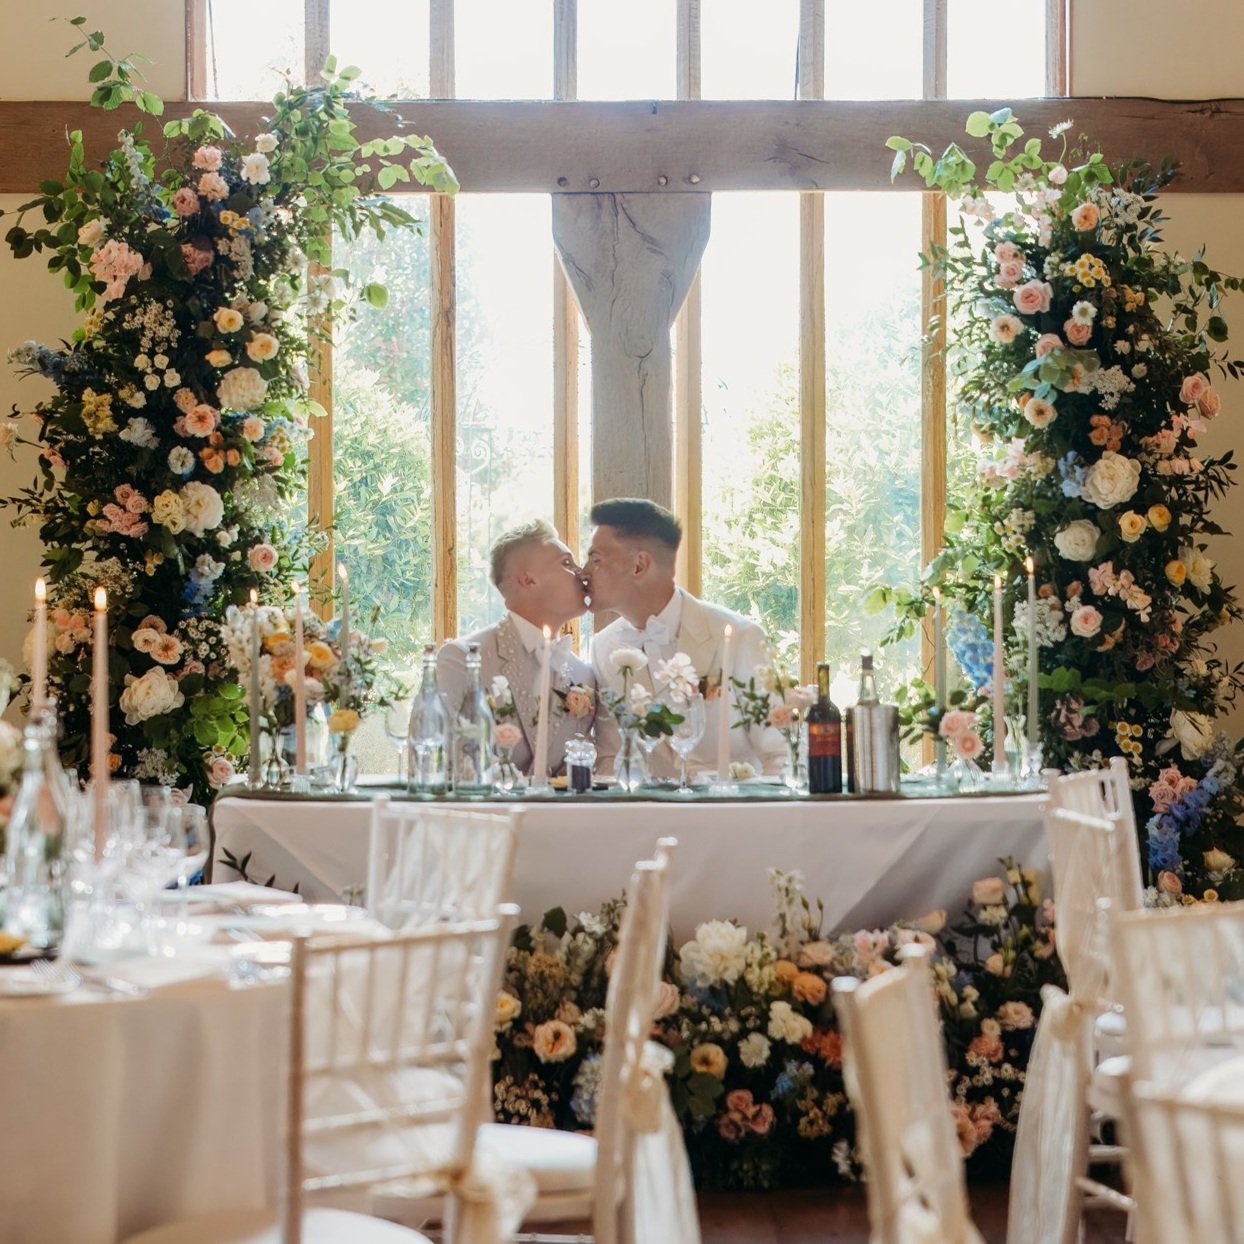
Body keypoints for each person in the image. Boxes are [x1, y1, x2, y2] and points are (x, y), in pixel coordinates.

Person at [585, 497, 784, 779]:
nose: (584, 571)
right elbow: (611, 759)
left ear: (639, 565)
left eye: (595, 559)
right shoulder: (603, 647)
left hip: (732, 811)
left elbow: (779, 753)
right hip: (647, 817)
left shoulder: (740, 637)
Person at [438, 519, 596, 779]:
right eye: (567, 563)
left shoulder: (584, 676)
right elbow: (453, 764)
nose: (582, 573)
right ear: (528, 579)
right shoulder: (461, 660)